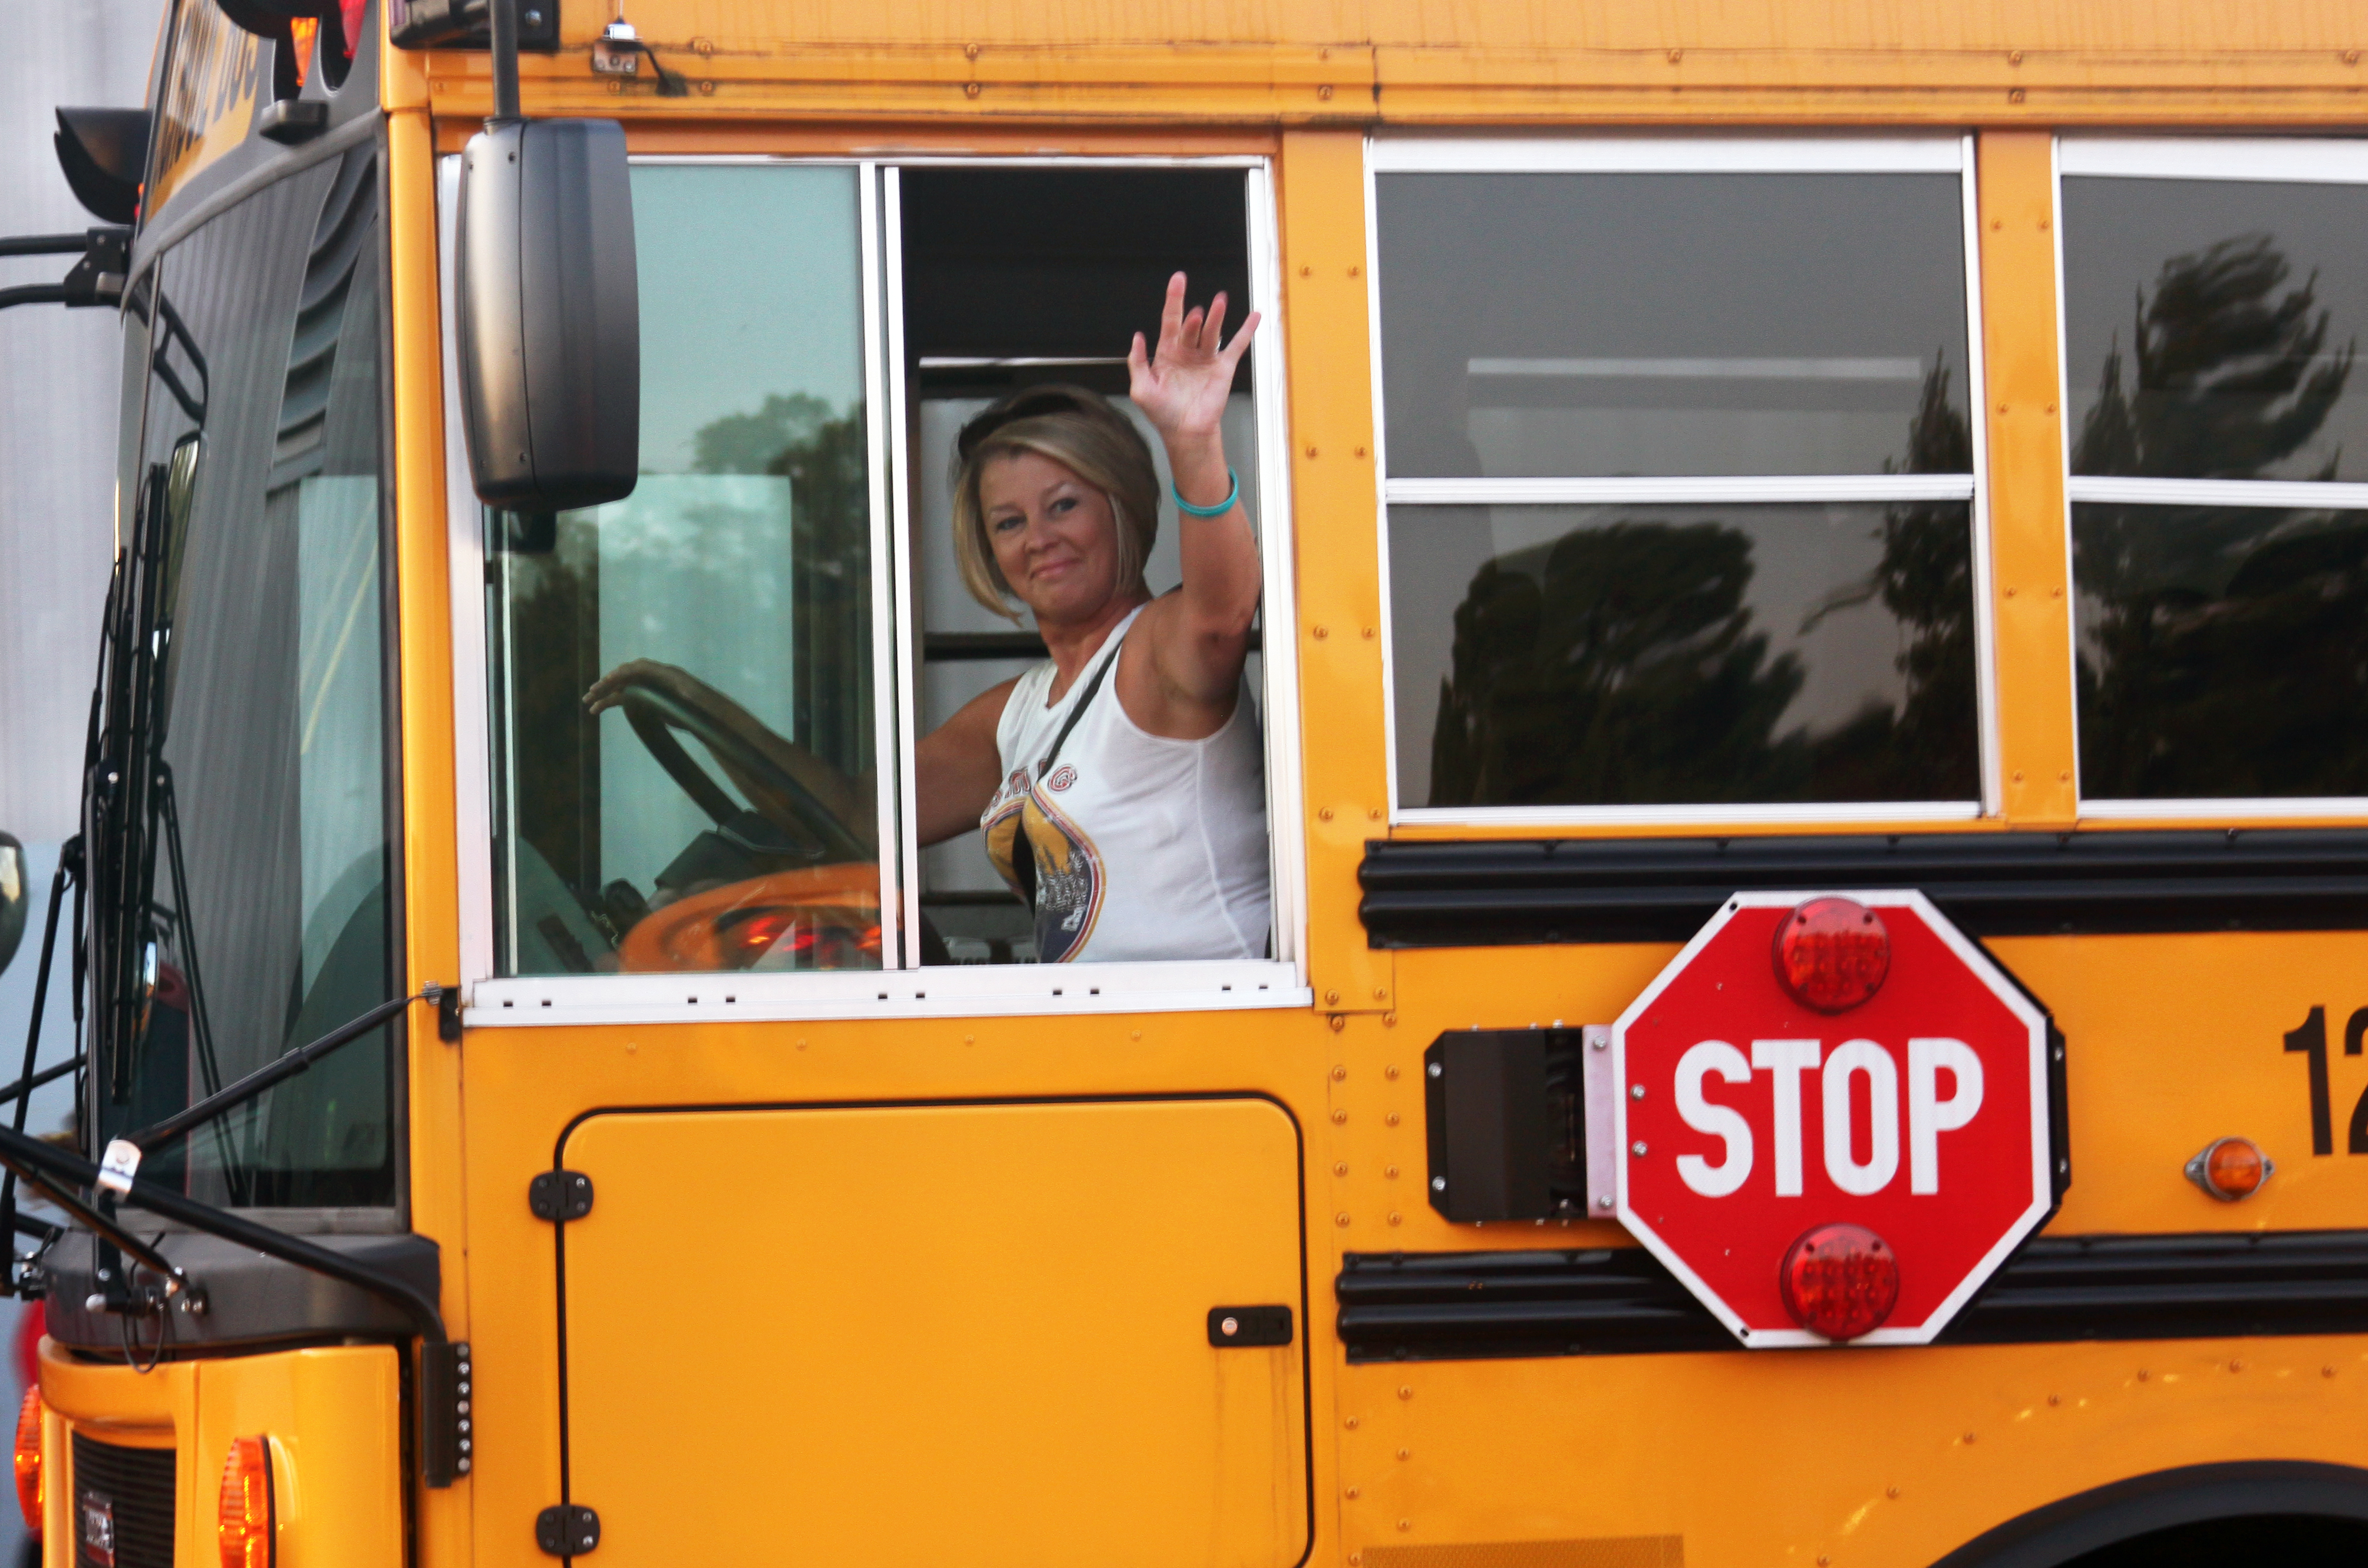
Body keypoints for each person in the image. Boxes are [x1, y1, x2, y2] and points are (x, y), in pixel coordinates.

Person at [588, 272, 1268, 963]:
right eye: (1008, 522)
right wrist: (697, 702)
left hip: (1197, 1045)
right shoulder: (1017, 711)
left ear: (1121, 506)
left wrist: (1193, 442)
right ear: (986, 549)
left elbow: (1223, 614)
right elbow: (856, 817)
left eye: (1064, 505)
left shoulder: (1158, 648)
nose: (1038, 538)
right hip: (1089, 1040)